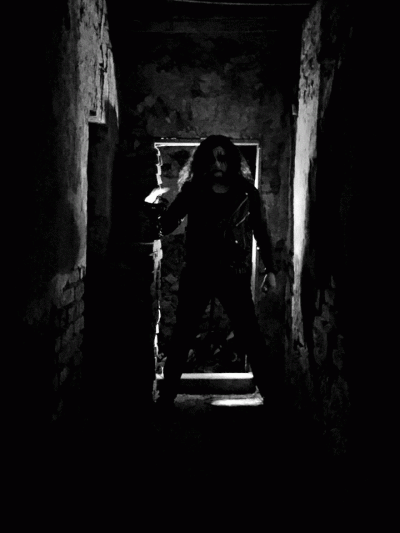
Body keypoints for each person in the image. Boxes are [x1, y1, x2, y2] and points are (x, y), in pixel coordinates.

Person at [153, 135, 277, 409]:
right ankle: (167, 396)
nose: (217, 164)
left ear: (231, 161)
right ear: (203, 163)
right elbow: (168, 224)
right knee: (183, 334)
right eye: (212, 159)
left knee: (250, 334)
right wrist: (159, 211)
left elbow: (261, 231)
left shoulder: (246, 193)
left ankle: (271, 396)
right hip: (198, 272)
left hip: (233, 274)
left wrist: (270, 269)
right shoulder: (194, 190)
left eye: (222, 158)